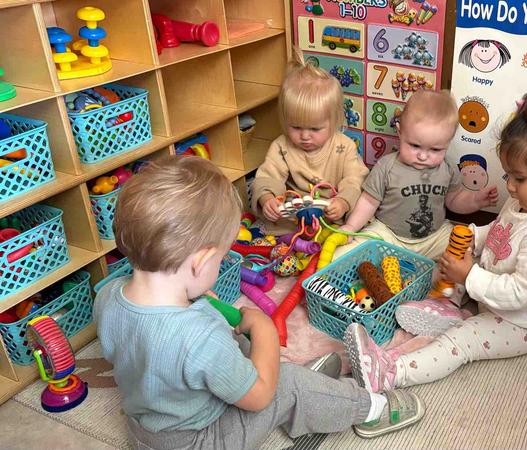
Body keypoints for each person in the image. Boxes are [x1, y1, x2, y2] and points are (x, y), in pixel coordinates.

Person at [94, 156, 424, 448]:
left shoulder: (108, 295)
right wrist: (263, 327)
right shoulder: (199, 336)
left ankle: (301, 391)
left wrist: (201, 307)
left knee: (231, 339)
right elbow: (260, 397)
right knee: (286, 384)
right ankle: (370, 408)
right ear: (201, 261)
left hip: (144, 432)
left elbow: (148, 347)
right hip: (200, 439)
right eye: (221, 258)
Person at [343, 85, 527, 392]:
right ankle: (448, 306)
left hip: (521, 321)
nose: (509, 186)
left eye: (518, 178)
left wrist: (469, 276)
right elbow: (501, 230)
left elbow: (521, 294)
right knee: (451, 263)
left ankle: (389, 372)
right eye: (509, 175)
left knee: (461, 342)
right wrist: (473, 237)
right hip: (491, 288)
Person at [336, 89, 498, 260]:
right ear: (400, 132)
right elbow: (369, 201)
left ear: (448, 143)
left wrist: (476, 200)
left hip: (433, 238)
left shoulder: (447, 168)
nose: (422, 156)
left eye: (435, 149)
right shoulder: (387, 166)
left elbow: (453, 201)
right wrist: (351, 227)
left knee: (466, 256)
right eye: (414, 146)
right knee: (346, 253)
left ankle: (447, 284)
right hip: (388, 234)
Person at [251, 51, 368, 235]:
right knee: (269, 234)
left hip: (330, 218)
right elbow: (268, 177)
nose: (305, 136)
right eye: (296, 127)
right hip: (293, 220)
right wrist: (267, 199)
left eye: (315, 129)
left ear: (335, 120)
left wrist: (344, 202)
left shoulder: (345, 147)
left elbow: (355, 180)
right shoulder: (282, 146)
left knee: (352, 232)